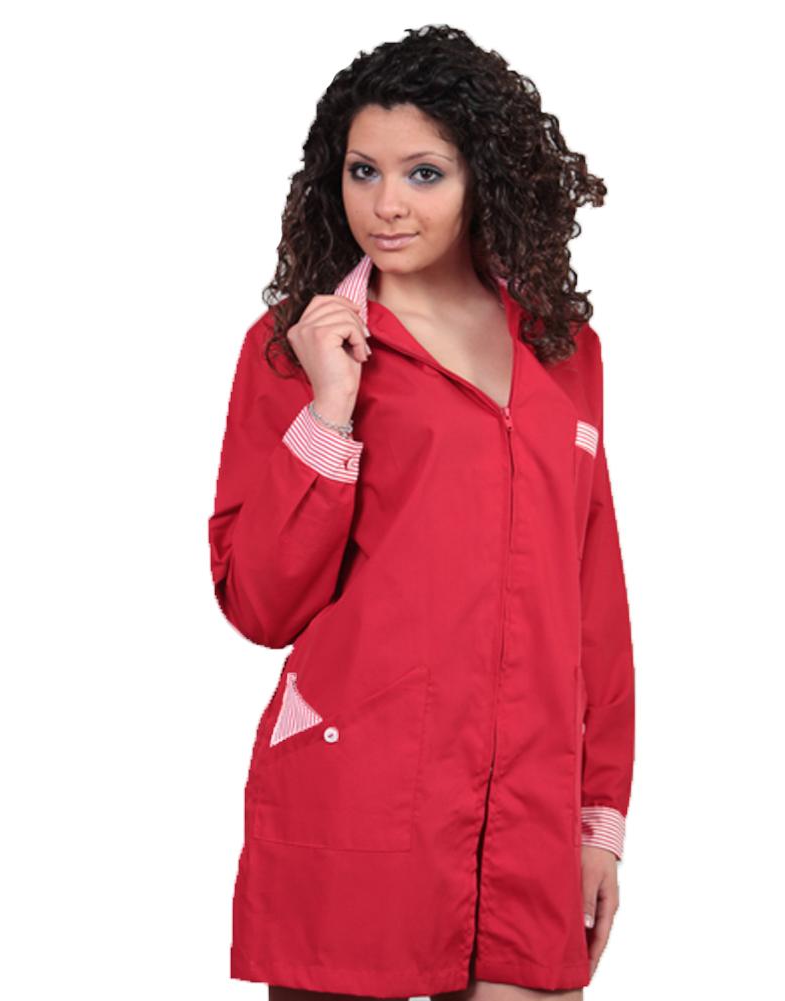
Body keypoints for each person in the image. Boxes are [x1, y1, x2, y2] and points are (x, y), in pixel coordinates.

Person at [207, 24, 636, 1001]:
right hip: (359, 788)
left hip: (527, 815)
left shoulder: (563, 349)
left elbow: (591, 595)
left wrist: (598, 816)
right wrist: (328, 409)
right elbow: (260, 602)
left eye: (423, 173)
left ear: (485, 177)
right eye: (362, 170)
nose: (386, 204)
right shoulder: (296, 345)